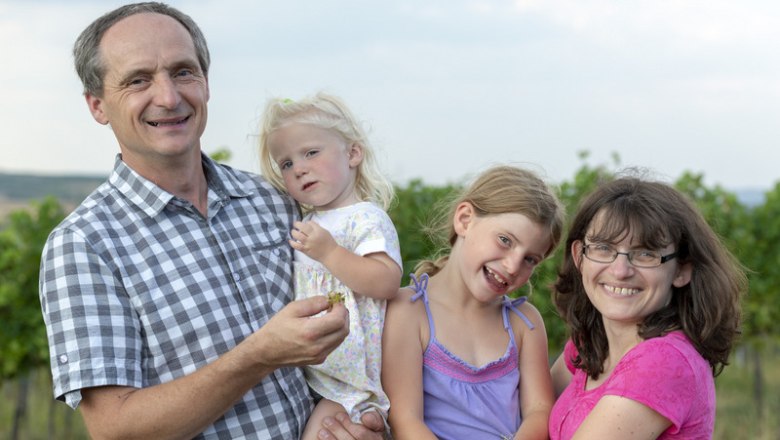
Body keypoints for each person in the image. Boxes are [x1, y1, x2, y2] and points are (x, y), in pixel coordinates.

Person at [38, 3, 384, 439]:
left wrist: (349, 422)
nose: (168, 96)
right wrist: (259, 354)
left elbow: (351, 328)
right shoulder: (84, 244)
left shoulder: (271, 201)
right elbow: (114, 428)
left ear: (206, 83)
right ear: (98, 106)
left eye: (183, 72)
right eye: (138, 80)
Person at [548, 176, 746, 439]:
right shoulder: (588, 345)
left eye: (645, 254)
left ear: (681, 270)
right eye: (604, 248)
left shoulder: (662, 361)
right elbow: (527, 413)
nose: (620, 271)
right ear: (579, 257)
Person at [382, 165, 565, 439]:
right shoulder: (409, 311)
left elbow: (539, 410)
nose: (513, 266)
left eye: (530, 259)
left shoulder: (524, 322)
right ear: (465, 219)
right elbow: (405, 419)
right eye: (505, 240)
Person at [258, 92, 402, 438]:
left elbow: (385, 282)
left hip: (351, 384)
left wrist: (330, 253)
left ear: (353, 153)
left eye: (310, 153)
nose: (299, 168)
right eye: (287, 164)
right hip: (315, 375)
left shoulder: (365, 217)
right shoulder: (307, 220)